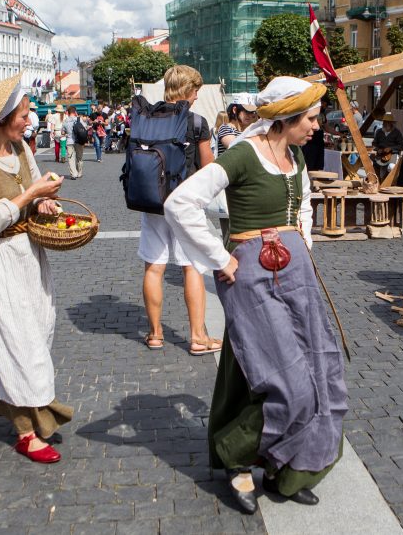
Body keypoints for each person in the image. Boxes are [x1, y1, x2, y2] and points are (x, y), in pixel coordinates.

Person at [164, 76, 348, 514]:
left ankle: (289, 468)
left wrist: (305, 247)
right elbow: (180, 203)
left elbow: (302, 207)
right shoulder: (244, 154)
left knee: (316, 365)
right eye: (311, 118)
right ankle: (237, 456)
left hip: (295, 269)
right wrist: (220, 258)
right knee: (286, 379)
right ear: (285, 118)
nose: (317, 127)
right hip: (251, 271)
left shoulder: (296, 155)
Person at [0, 73, 72, 464]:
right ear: (0, 120)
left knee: (18, 329)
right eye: (23, 113)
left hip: (28, 252)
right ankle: (26, 430)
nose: (29, 118)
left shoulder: (21, 148)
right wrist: (29, 196)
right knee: (19, 340)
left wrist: (44, 203)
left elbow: (35, 192)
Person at [136, 65, 218, 354]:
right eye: (196, 90)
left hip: (152, 200)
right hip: (185, 202)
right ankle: (198, 337)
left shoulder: (146, 117)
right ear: (187, 90)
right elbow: (208, 168)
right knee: (191, 266)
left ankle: (156, 334)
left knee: (154, 267)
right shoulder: (196, 122)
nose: (196, 96)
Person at [371, 113, 403, 182]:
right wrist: (378, 149)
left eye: (388, 122)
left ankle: (390, 182)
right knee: (377, 169)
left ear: (391, 123)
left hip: (392, 154)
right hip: (381, 155)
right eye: (385, 122)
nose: (386, 124)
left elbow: (401, 146)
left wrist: (391, 148)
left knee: (391, 167)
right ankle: (381, 182)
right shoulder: (379, 132)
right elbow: (374, 143)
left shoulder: (397, 132)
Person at [60, 106, 86, 179]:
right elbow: (85, 128)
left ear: (67, 112)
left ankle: (73, 174)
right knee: (79, 158)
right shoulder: (79, 119)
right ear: (75, 112)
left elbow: (62, 132)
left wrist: (66, 133)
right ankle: (79, 173)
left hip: (69, 141)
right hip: (79, 141)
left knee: (71, 158)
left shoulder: (65, 121)